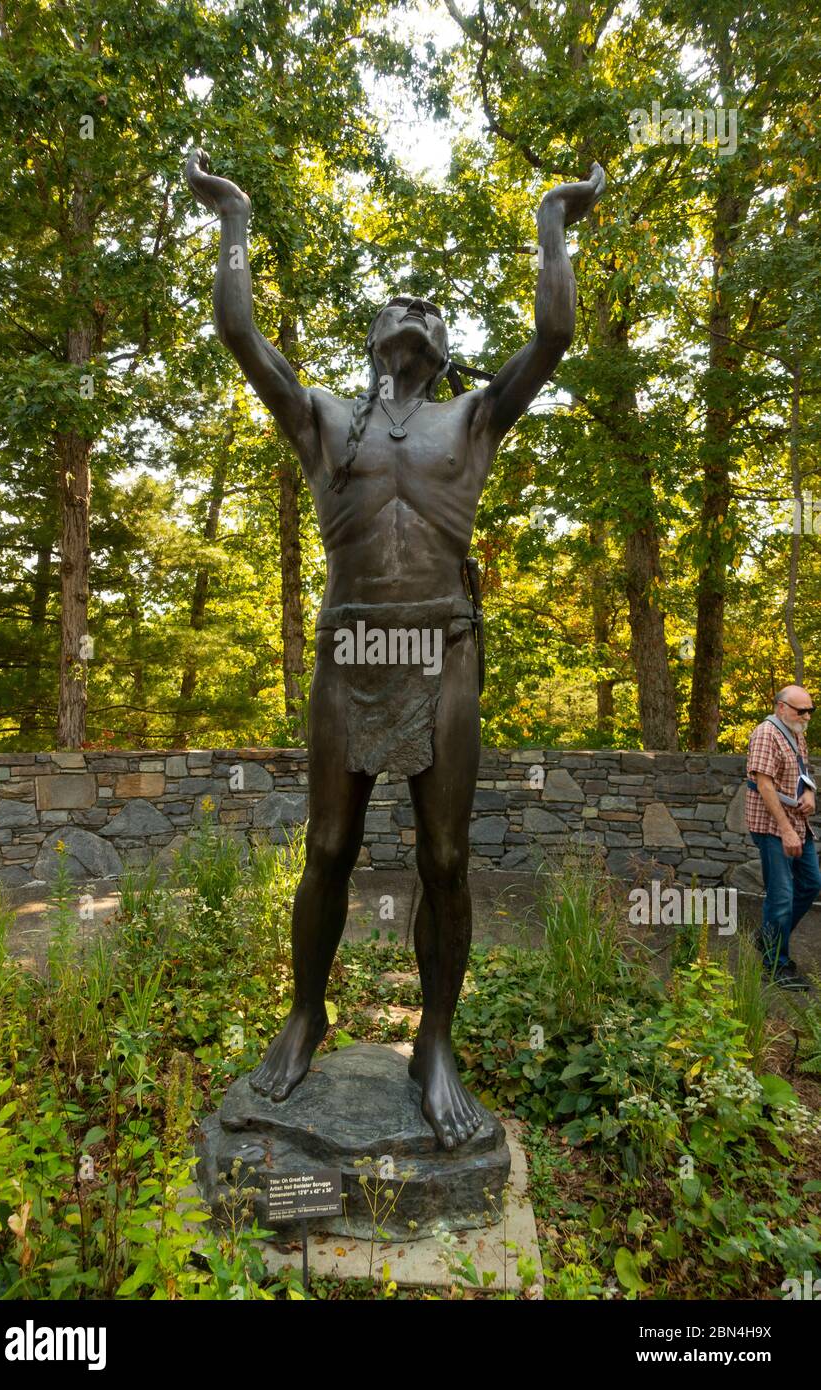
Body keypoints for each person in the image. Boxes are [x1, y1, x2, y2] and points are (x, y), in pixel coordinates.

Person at [185, 147, 605, 1146]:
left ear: (441, 344)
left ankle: (437, 1041)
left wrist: (553, 218)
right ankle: (303, 1012)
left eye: (427, 303)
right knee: (325, 845)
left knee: (446, 856)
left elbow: (552, 333)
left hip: (442, 650)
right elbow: (241, 334)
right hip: (348, 651)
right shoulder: (324, 420)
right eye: (393, 301)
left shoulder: (474, 417)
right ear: (372, 338)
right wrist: (234, 218)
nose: (409, 306)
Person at [746, 686, 820, 989]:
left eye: (810, 711)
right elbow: (763, 785)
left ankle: (767, 937)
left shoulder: (795, 732)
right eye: (800, 710)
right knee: (781, 897)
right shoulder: (766, 734)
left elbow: (804, 771)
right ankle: (776, 965)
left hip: (797, 822)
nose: (806, 716)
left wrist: (810, 792)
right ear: (780, 707)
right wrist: (786, 830)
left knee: (811, 883)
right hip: (772, 825)